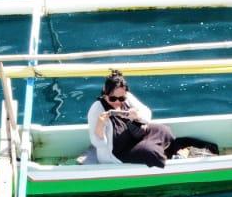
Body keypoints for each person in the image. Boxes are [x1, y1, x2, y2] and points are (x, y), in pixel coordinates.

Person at [87, 71, 218, 168]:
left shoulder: (127, 98)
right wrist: (100, 125)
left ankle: (175, 152)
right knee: (150, 152)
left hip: (135, 136)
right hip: (117, 153)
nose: (117, 102)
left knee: (164, 130)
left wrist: (136, 116)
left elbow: (146, 113)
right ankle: (173, 162)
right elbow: (99, 144)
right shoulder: (96, 110)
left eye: (121, 99)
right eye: (113, 98)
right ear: (105, 93)